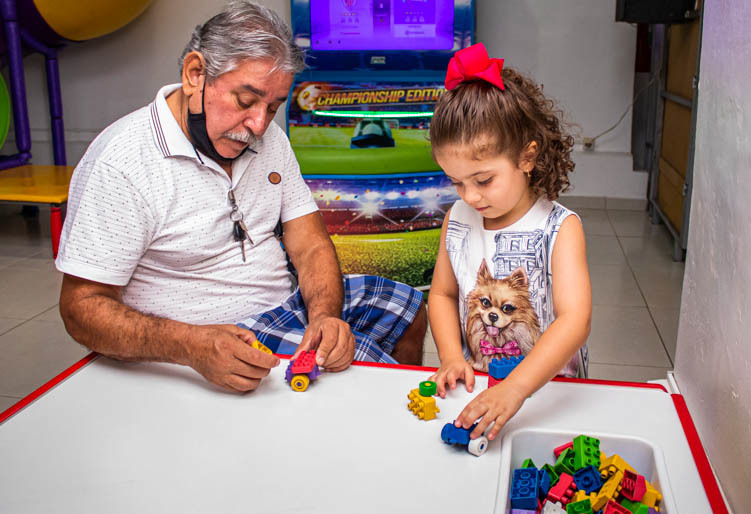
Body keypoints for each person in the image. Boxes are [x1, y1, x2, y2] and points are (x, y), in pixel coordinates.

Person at [56, 1, 427, 393]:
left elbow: (309, 243)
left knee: (409, 308)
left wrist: (323, 317)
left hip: (285, 303)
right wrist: (190, 345)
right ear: (195, 74)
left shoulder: (270, 140)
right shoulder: (121, 162)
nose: (259, 125)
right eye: (246, 101)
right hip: (211, 333)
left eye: (273, 107)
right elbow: (81, 308)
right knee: (370, 376)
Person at [426, 43, 591, 441]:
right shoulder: (457, 220)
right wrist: (451, 356)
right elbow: (443, 294)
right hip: (479, 388)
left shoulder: (560, 228)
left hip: (548, 394)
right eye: (457, 182)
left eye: (483, 180)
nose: (470, 196)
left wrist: (515, 388)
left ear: (526, 158)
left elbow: (575, 319)